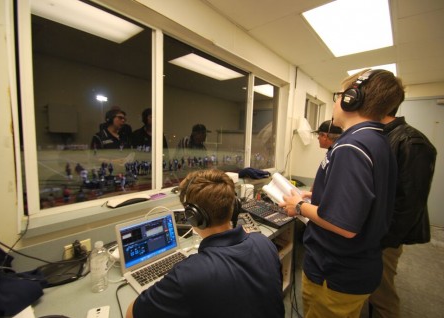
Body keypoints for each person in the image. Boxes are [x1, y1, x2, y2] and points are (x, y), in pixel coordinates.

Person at [280, 69, 403, 317]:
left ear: (351, 98)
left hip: (335, 274)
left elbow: (343, 225)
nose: (336, 102)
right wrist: (318, 199)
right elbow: (361, 205)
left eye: (339, 95)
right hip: (356, 268)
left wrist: (298, 206)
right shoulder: (377, 141)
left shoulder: (351, 147)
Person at [126, 169, 285, 318]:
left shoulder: (187, 275)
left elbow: (131, 314)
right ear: (234, 207)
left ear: (193, 216)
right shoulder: (264, 243)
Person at [368, 107, 437, 317]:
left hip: (384, 237)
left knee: (382, 293)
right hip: (372, 233)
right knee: (370, 287)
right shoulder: (380, 136)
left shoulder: (411, 141)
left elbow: (409, 203)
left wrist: (383, 240)